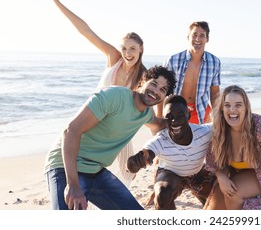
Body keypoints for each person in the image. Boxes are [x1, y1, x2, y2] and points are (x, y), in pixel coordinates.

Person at [50, 0, 146, 186]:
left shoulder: (143, 77)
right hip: (91, 116)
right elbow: (85, 30)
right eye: (125, 48)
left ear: (141, 49)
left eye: (132, 48)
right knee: (71, 156)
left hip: (115, 129)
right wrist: (57, 2)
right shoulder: (113, 58)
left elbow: (149, 102)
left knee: (127, 173)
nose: (127, 53)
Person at [44, 65, 176, 210]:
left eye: (162, 90)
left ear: (164, 97)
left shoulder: (146, 114)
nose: (155, 91)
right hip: (66, 166)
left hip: (96, 170)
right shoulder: (114, 96)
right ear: (143, 81)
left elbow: (159, 124)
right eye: (153, 83)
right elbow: (71, 131)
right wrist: (73, 185)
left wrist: (180, 118)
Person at [204, 85, 261, 210]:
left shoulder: (259, 125)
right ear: (221, 108)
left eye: (238, 105)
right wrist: (221, 177)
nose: (232, 110)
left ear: (246, 108)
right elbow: (212, 161)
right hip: (239, 173)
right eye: (227, 105)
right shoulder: (220, 128)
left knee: (233, 194)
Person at [127, 95, 215, 209]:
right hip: (171, 174)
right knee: (162, 195)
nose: (174, 121)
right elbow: (139, 160)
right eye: (169, 117)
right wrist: (135, 163)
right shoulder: (161, 140)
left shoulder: (203, 132)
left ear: (188, 115)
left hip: (196, 173)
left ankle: (199, 194)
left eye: (180, 116)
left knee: (218, 194)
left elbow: (226, 125)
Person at [157, 21, 221, 124]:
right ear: (188, 37)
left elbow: (215, 93)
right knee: (176, 139)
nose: (197, 39)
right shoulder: (172, 60)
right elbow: (161, 90)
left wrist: (217, 117)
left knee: (200, 140)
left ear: (207, 39)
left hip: (201, 110)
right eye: (194, 35)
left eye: (202, 35)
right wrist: (159, 118)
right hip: (176, 108)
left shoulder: (214, 62)